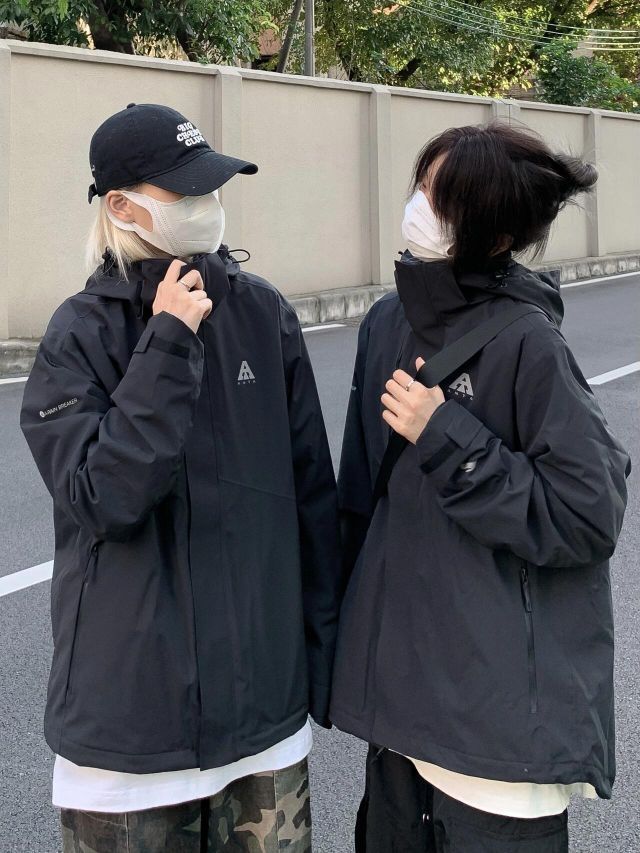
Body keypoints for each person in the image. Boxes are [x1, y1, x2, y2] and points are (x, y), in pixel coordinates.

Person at [20, 103, 341, 853]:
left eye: (212, 187)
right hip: (128, 739)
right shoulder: (78, 335)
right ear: (121, 207)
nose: (208, 205)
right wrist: (166, 343)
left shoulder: (262, 313)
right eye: (186, 191)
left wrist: (323, 668)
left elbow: (312, 505)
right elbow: (102, 497)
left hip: (265, 728)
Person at [330, 122, 631, 852]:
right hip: (400, 717)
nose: (418, 207)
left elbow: (588, 513)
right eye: (421, 186)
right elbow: (359, 505)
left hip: (497, 743)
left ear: (494, 235)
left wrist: (445, 436)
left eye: (442, 199)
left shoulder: (529, 343)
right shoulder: (387, 321)